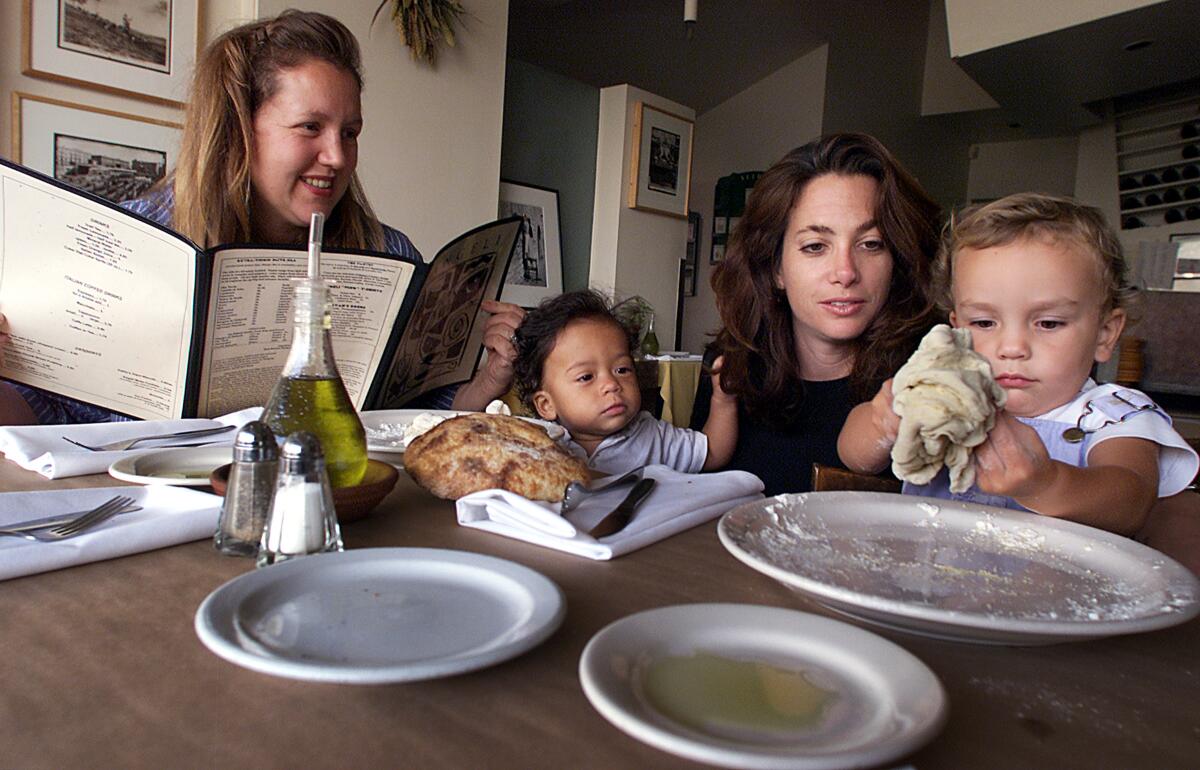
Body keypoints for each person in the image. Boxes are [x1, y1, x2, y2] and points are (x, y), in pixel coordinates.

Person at [0, 9, 521, 426]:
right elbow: (45, 418)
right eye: (310, 126)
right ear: (240, 131)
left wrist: (486, 382)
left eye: (350, 132)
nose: (337, 156)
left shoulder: (390, 256)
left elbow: (413, 419)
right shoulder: (128, 245)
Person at [838, 193, 1198, 535]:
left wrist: (1047, 483)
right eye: (984, 323)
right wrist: (883, 421)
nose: (1012, 348)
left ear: (1104, 334)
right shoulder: (945, 401)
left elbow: (1131, 502)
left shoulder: (1111, 415)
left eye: (1049, 323)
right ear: (956, 332)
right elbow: (855, 456)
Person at [689, 133, 941, 496]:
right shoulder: (731, 368)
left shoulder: (928, 374)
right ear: (776, 268)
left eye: (871, 244)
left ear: (896, 261)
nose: (845, 272)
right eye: (815, 246)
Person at [514, 289, 737, 475]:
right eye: (586, 377)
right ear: (546, 405)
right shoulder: (539, 446)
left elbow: (713, 453)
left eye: (622, 370)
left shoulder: (653, 438)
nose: (612, 384)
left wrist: (723, 400)